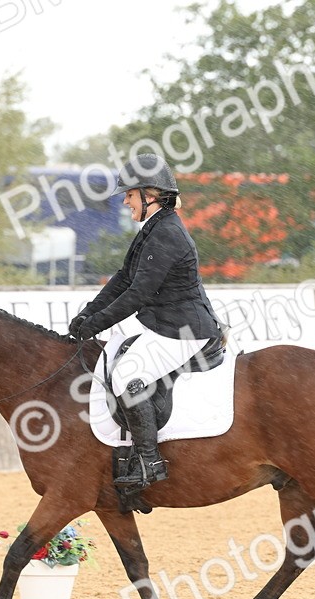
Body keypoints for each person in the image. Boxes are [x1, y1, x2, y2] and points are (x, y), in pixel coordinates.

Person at [69, 153, 222, 492]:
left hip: (185, 331)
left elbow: (139, 292)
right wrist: (87, 313)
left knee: (126, 375)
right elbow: (124, 278)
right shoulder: (152, 228)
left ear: (150, 194)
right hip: (164, 324)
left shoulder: (166, 232)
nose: (125, 200)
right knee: (114, 360)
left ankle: (149, 460)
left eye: (130, 194)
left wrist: (94, 324)